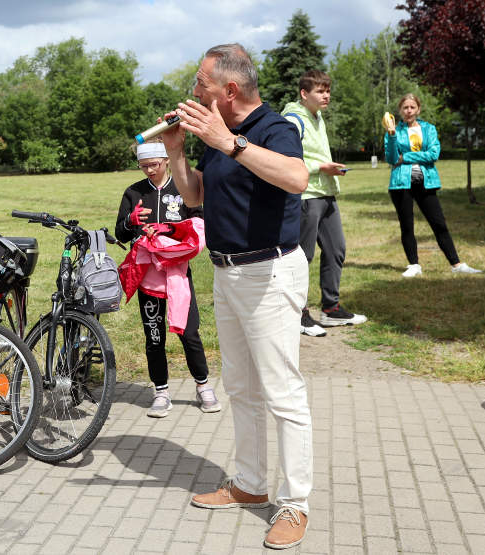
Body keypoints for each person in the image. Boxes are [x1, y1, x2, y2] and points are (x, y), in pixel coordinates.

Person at [158, 44, 313, 549]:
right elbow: (197, 194)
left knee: (282, 392)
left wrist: (229, 143)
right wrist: (180, 150)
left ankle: (295, 504)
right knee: (241, 389)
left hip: (270, 273)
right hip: (226, 273)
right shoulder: (212, 132)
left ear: (229, 90)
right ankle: (249, 484)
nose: (194, 92)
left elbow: (297, 178)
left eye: (201, 83)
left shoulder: (274, 129)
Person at [115, 141, 221, 417]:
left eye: (155, 164)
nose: (150, 170)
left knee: (190, 334)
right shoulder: (133, 192)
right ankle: (161, 391)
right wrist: (131, 221)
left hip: (177, 278)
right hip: (148, 282)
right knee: (153, 338)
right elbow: (121, 233)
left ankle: (203, 386)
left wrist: (170, 230)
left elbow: (198, 225)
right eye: (144, 165)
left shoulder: (182, 189)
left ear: (165, 161)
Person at [281, 70, 367, 337]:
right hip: (306, 195)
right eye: (320, 91)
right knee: (302, 257)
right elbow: (283, 160)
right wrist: (320, 167)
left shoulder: (318, 118)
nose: (326, 95)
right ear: (304, 94)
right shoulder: (293, 119)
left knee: (336, 249)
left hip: (326, 193)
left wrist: (329, 170)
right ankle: (299, 314)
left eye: (328, 90)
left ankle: (330, 310)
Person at [383, 93, 481, 277]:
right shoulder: (393, 131)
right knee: (407, 225)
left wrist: (406, 157)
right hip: (400, 184)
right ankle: (414, 265)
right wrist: (392, 136)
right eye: (405, 107)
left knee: (439, 223)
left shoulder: (429, 129)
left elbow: (433, 154)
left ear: (418, 109)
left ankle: (457, 264)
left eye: (412, 107)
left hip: (426, 182)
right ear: (400, 111)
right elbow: (392, 158)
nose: (409, 110)